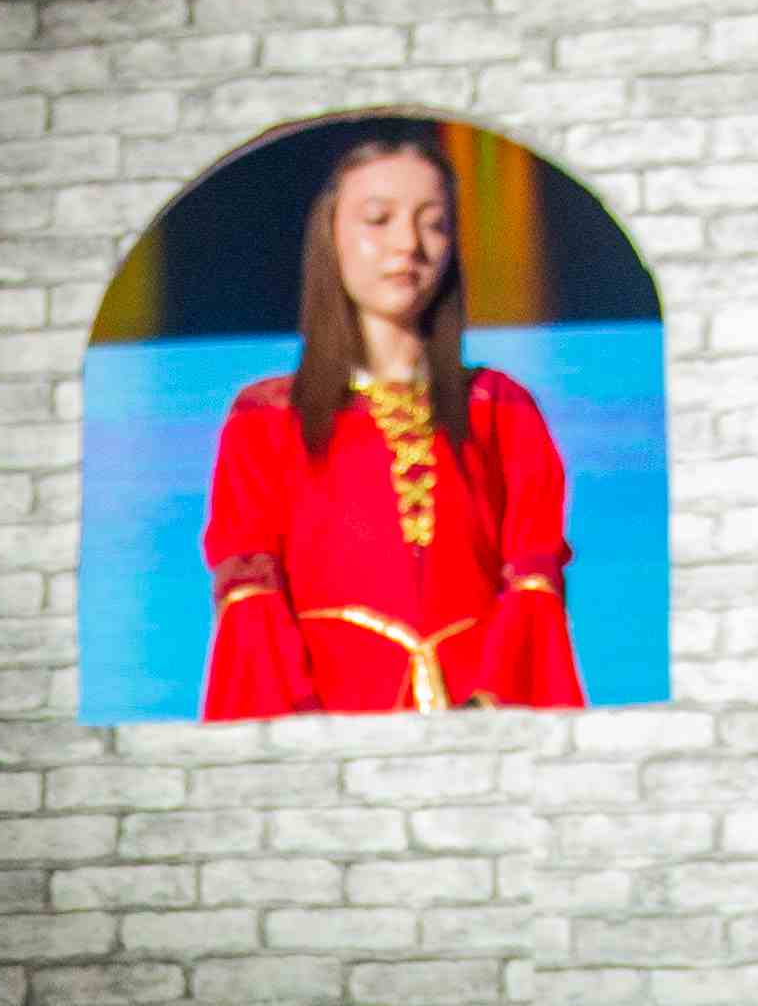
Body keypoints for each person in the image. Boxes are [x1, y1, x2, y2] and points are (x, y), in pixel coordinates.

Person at [197, 126, 588, 718]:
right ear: (331, 236)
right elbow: (251, 591)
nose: (408, 244)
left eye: (434, 223)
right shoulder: (267, 419)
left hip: (479, 720)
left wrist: (489, 715)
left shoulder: (498, 407)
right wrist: (301, 734)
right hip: (324, 720)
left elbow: (533, 574)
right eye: (378, 219)